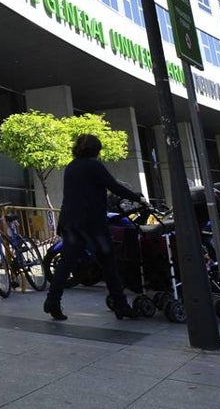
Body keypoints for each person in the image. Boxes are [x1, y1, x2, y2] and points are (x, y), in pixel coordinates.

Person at [44, 133, 145, 322]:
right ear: (96, 150)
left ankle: (52, 301)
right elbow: (114, 186)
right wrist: (137, 198)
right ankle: (121, 305)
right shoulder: (94, 166)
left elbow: (71, 197)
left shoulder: (71, 167)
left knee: (65, 265)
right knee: (109, 264)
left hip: (71, 223)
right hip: (92, 225)